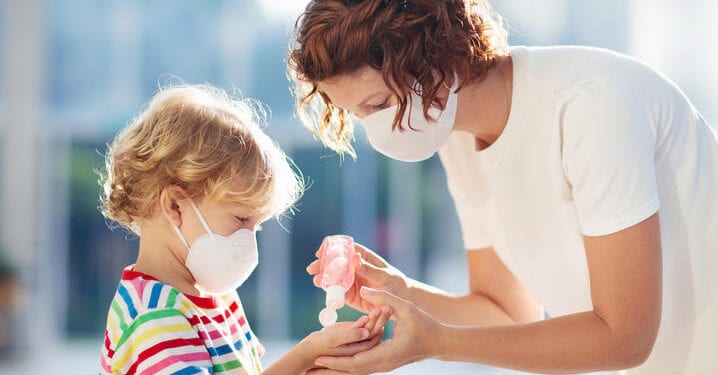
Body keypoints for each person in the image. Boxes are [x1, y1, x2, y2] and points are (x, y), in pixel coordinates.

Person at [287, 0, 718, 374]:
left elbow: (626, 338)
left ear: (434, 55)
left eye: (378, 104)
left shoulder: (590, 104)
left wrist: (440, 344)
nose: (375, 130)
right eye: (357, 115)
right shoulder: (454, 133)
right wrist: (404, 294)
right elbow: (507, 313)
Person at [98, 84, 392, 374]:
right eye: (240, 220)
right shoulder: (153, 316)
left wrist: (321, 360)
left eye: (257, 226)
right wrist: (306, 355)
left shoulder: (217, 297)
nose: (249, 241)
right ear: (175, 206)